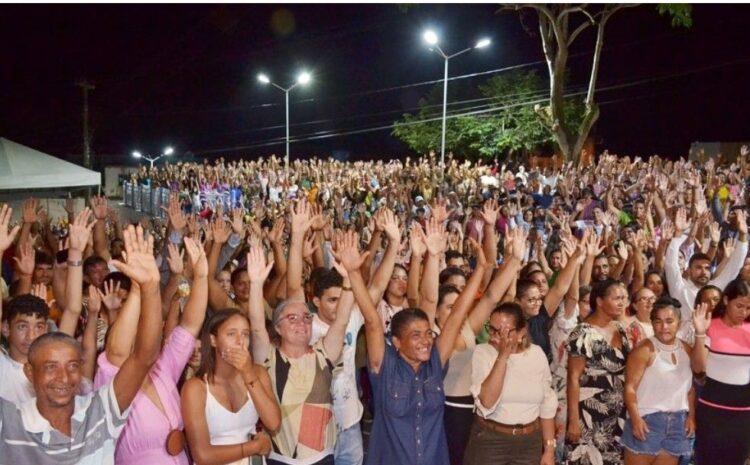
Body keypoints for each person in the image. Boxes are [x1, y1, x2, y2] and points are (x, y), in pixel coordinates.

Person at [0, 224, 163, 464]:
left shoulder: (100, 411)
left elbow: (143, 358)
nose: (64, 377)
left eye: (73, 366)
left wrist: (149, 288)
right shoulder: (10, 423)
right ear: (29, 371)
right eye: (50, 367)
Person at [342, 218, 474, 465]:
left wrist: (434, 257)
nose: (426, 341)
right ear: (397, 342)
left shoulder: (435, 362)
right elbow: (371, 320)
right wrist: (352, 273)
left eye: (427, 333)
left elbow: (455, 315)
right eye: (416, 335)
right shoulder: (384, 366)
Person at [92, 237, 210, 464]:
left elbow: (190, 326)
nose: (147, 337)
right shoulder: (112, 379)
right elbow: (117, 352)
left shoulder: (163, 369)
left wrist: (202, 277)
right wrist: (139, 288)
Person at [181, 308, 280, 465]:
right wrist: (253, 447)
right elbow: (202, 455)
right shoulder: (195, 388)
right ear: (213, 340)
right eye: (231, 334)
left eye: (245, 334)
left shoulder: (258, 373)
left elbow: (273, 423)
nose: (240, 341)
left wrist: (248, 374)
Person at [464, 303, 557, 465]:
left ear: (521, 332)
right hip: (490, 441)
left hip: (529, 443)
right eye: (491, 329)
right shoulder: (483, 353)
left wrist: (549, 449)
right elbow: (487, 401)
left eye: (502, 332)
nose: (493, 336)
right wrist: (503, 357)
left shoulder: (536, 354)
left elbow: (547, 404)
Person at [565, 278, 632, 465]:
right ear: (600, 301)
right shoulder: (582, 333)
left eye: (624, 298)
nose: (622, 302)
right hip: (589, 412)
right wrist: (573, 420)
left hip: (618, 412)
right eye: (617, 298)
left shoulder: (620, 328)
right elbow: (573, 378)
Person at [622, 298, 694, 465]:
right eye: (658, 321)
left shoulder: (687, 349)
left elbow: (690, 389)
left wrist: (692, 416)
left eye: (669, 321)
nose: (664, 327)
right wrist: (635, 418)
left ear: (679, 322)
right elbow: (630, 388)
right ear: (652, 323)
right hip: (647, 423)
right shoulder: (643, 350)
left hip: (678, 425)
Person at [691, 279, 750, 465]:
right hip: (711, 411)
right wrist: (700, 333)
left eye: (748, 308)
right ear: (725, 301)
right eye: (739, 306)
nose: (744, 312)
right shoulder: (711, 326)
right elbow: (698, 367)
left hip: (743, 414)